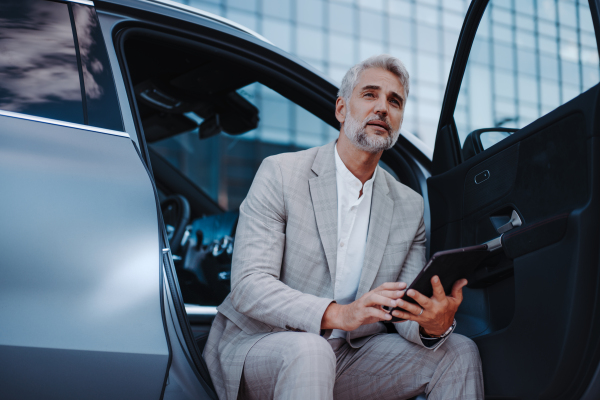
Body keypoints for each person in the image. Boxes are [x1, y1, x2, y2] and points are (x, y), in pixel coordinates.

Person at [203, 54, 484, 400]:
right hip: (259, 345)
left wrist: (432, 324)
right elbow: (249, 286)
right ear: (341, 109)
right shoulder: (280, 173)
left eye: (394, 101)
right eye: (370, 95)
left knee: (457, 351)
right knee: (312, 352)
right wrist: (339, 314)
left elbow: (403, 312)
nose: (383, 107)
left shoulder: (409, 206)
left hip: (350, 355)